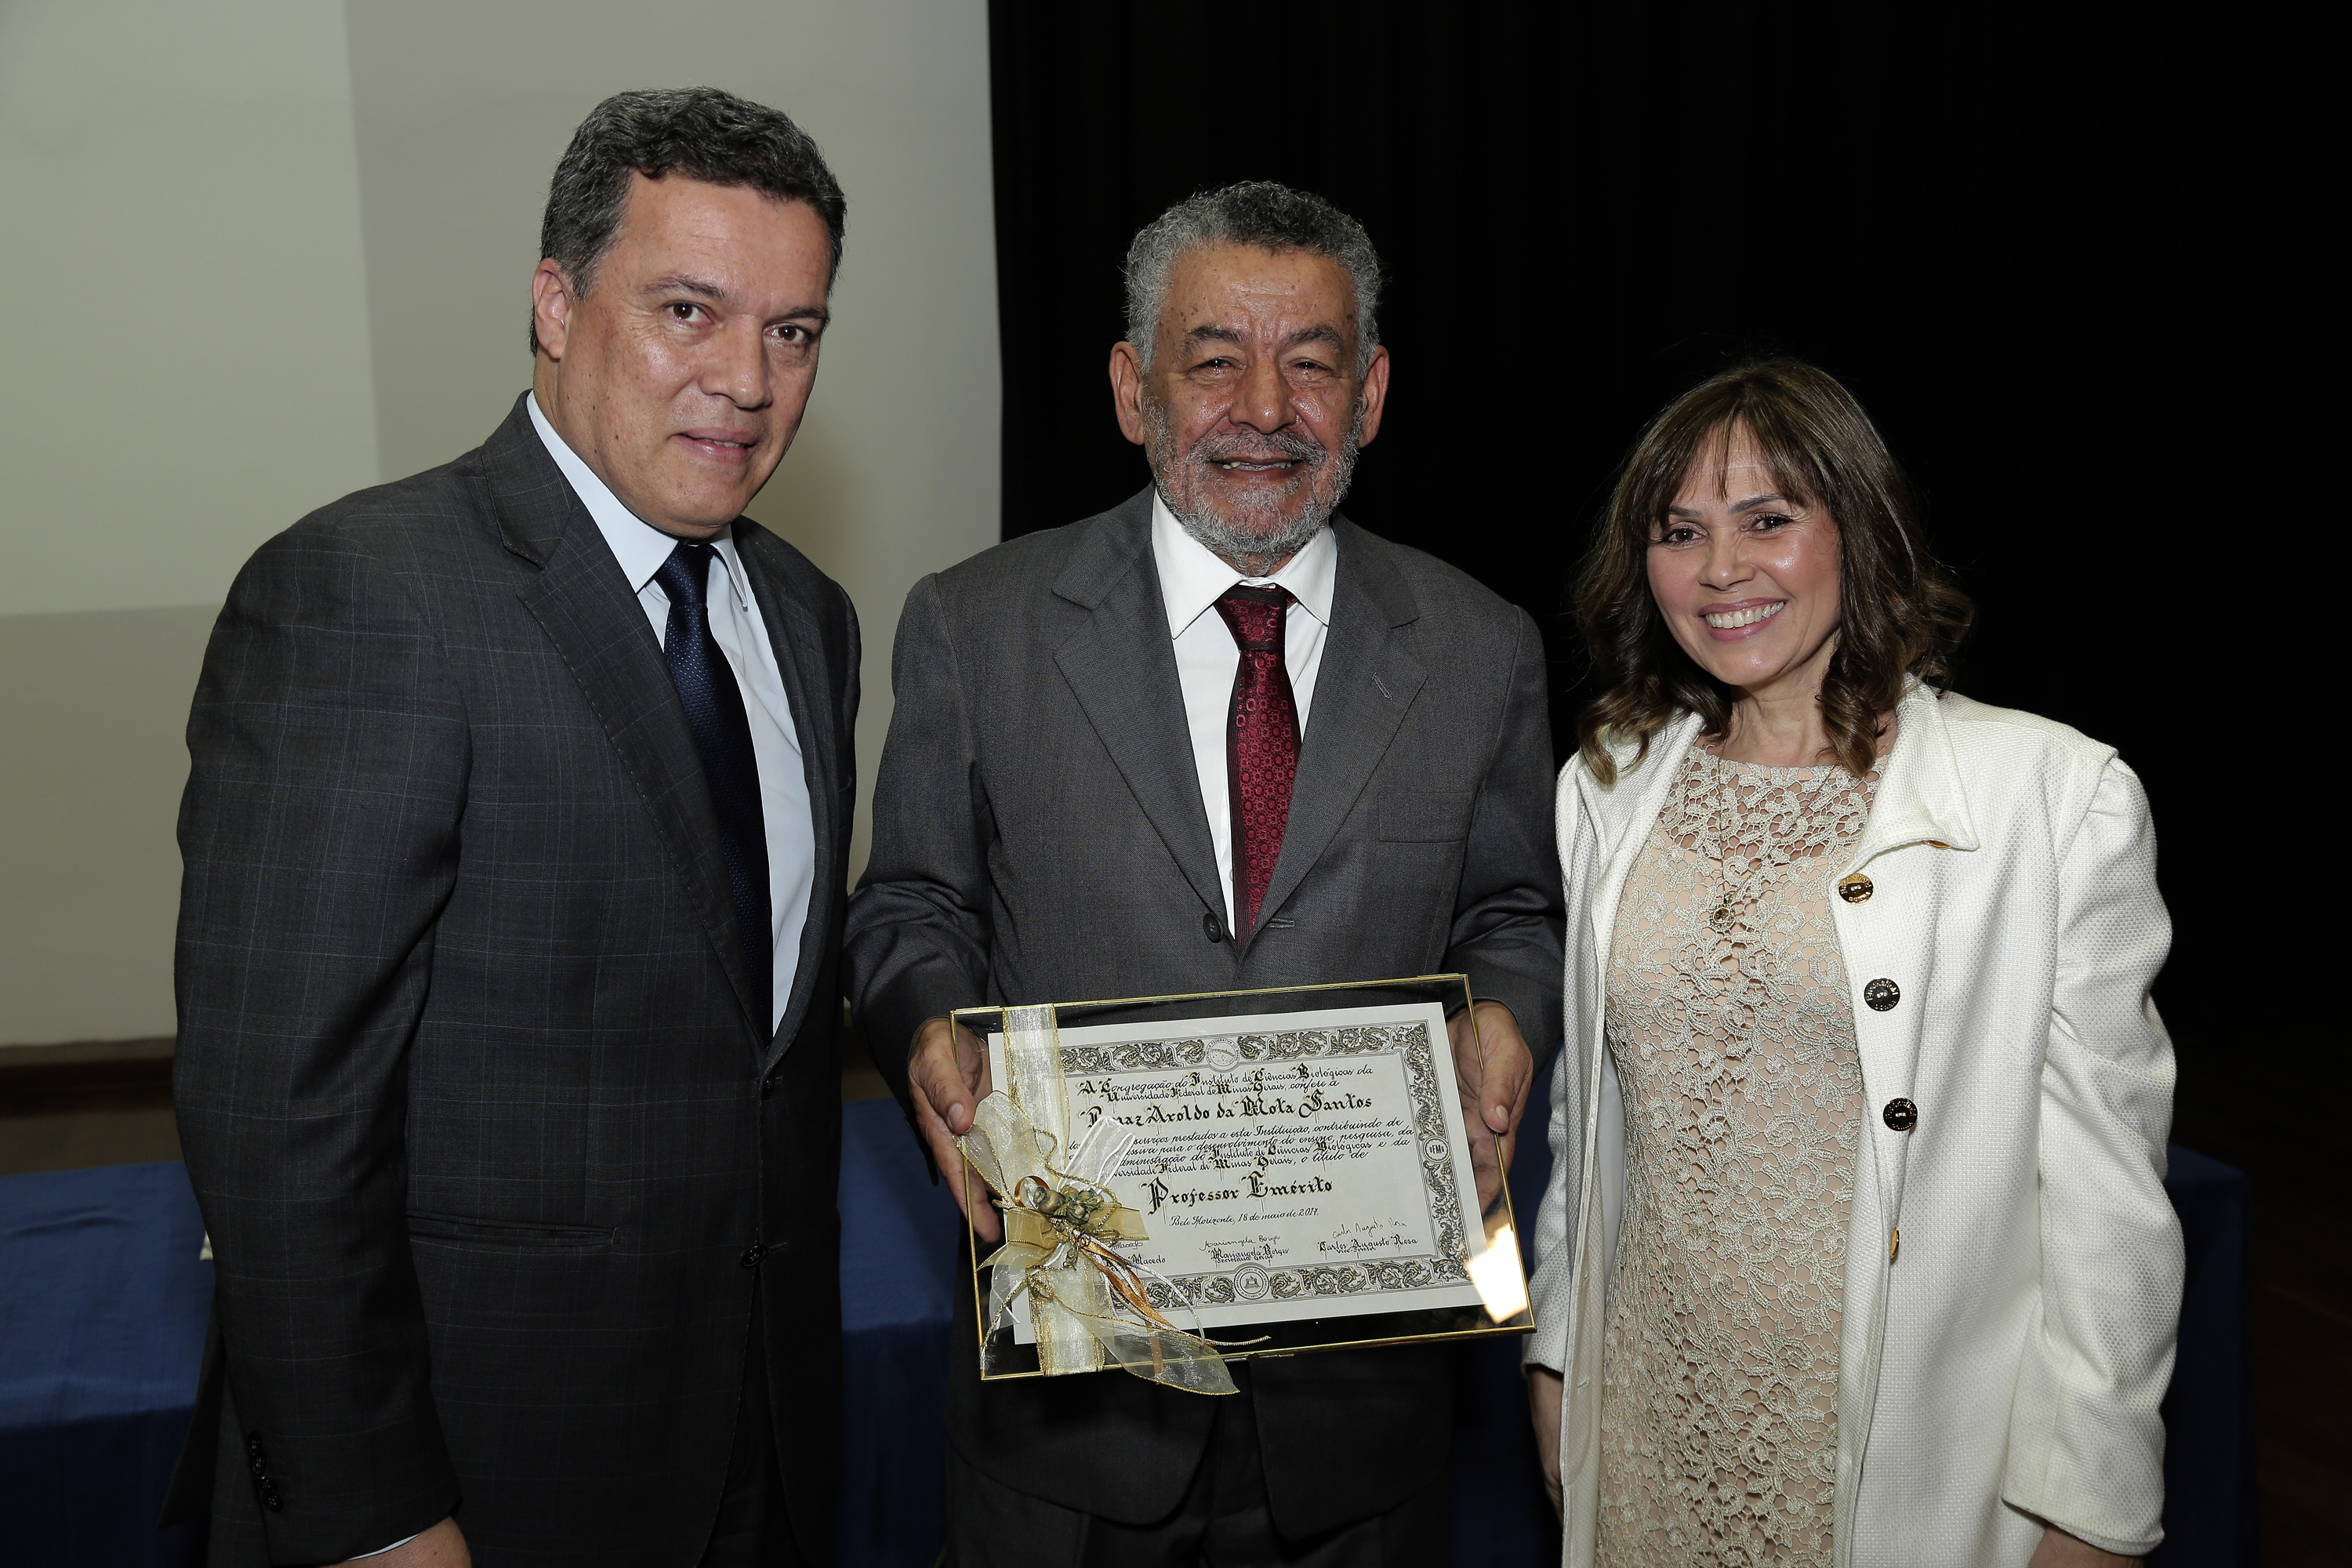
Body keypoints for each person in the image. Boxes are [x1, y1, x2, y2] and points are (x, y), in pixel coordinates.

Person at [163, 89, 858, 1567]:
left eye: (792, 331)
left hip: (762, 1454)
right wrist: (375, 1517)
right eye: (689, 309)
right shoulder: (366, 595)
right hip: (472, 1481)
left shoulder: (809, 617)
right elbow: (280, 1126)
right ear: (555, 303)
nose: (746, 380)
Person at [844, 180, 1563, 1565]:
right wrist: (931, 1018)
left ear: (1371, 395)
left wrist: (1508, 1012)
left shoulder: (1481, 647)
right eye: (1214, 358)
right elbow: (911, 902)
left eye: (1313, 362)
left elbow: (1510, 909)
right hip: (1068, 1418)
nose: (1265, 406)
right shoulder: (975, 625)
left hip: (1360, 1424)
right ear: (1132, 388)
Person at [1523, 359, 2183, 1567]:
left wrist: (2097, 1500)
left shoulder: (2050, 795)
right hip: (1652, 1414)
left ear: (1857, 532)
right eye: (1682, 531)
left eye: (1768, 520)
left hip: (1901, 1445)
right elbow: (1593, 1112)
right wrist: (1559, 1350)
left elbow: (2110, 1201)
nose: (1722, 569)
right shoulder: (1607, 784)